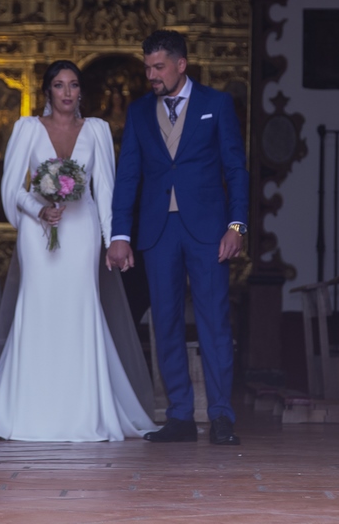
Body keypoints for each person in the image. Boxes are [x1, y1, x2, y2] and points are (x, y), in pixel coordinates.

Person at [0, 60, 157, 441]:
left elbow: (106, 190)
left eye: (73, 85)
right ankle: (29, 412)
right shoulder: (27, 128)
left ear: (81, 91)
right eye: (59, 85)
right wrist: (39, 211)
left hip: (82, 231)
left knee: (79, 310)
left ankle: (83, 410)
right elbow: (11, 188)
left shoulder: (98, 130)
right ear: (47, 90)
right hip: (38, 235)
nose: (67, 92)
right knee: (38, 309)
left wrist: (113, 240)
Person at [106, 30, 248, 446]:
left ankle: (221, 416)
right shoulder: (138, 112)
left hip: (208, 230)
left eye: (159, 67)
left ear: (181, 65)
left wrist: (237, 226)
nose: (151, 75)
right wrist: (119, 234)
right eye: (147, 67)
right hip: (157, 231)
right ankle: (180, 416)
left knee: (213, 322)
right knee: (165, 322)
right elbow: (127, 175)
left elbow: (236, 169)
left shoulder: (216, 104)